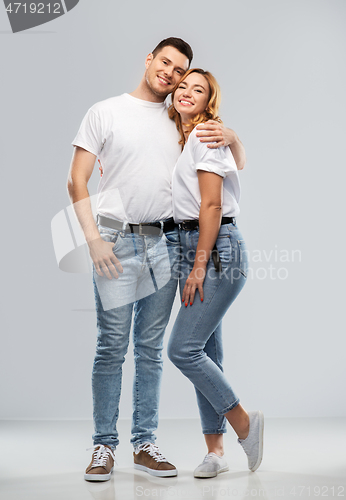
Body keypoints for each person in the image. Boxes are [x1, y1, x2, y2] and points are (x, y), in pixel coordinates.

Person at [67, 38, 247, 481]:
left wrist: (234, 136)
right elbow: (76, 180)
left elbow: (229, 167)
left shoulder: (180, 121)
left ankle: (144, 443)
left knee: (150, 350)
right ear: (149, 60)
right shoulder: (105, 111)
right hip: (115, 241)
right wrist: (92, 240)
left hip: (168, 244)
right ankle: (102, 447)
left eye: (180, 70)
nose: (170, 73)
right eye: (165, 62)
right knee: (111, 346)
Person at [167, 68, 264, 478]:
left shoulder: (206, 135)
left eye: (199, 89)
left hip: (215, 250)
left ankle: (244, 423)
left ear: (209, 102)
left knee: (182, 349)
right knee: (206, 352)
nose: (187, 92)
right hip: (197, 246)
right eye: (183, 86)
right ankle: (217, 453)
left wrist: (198, 267)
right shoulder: (190, 138)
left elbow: (211, 206)